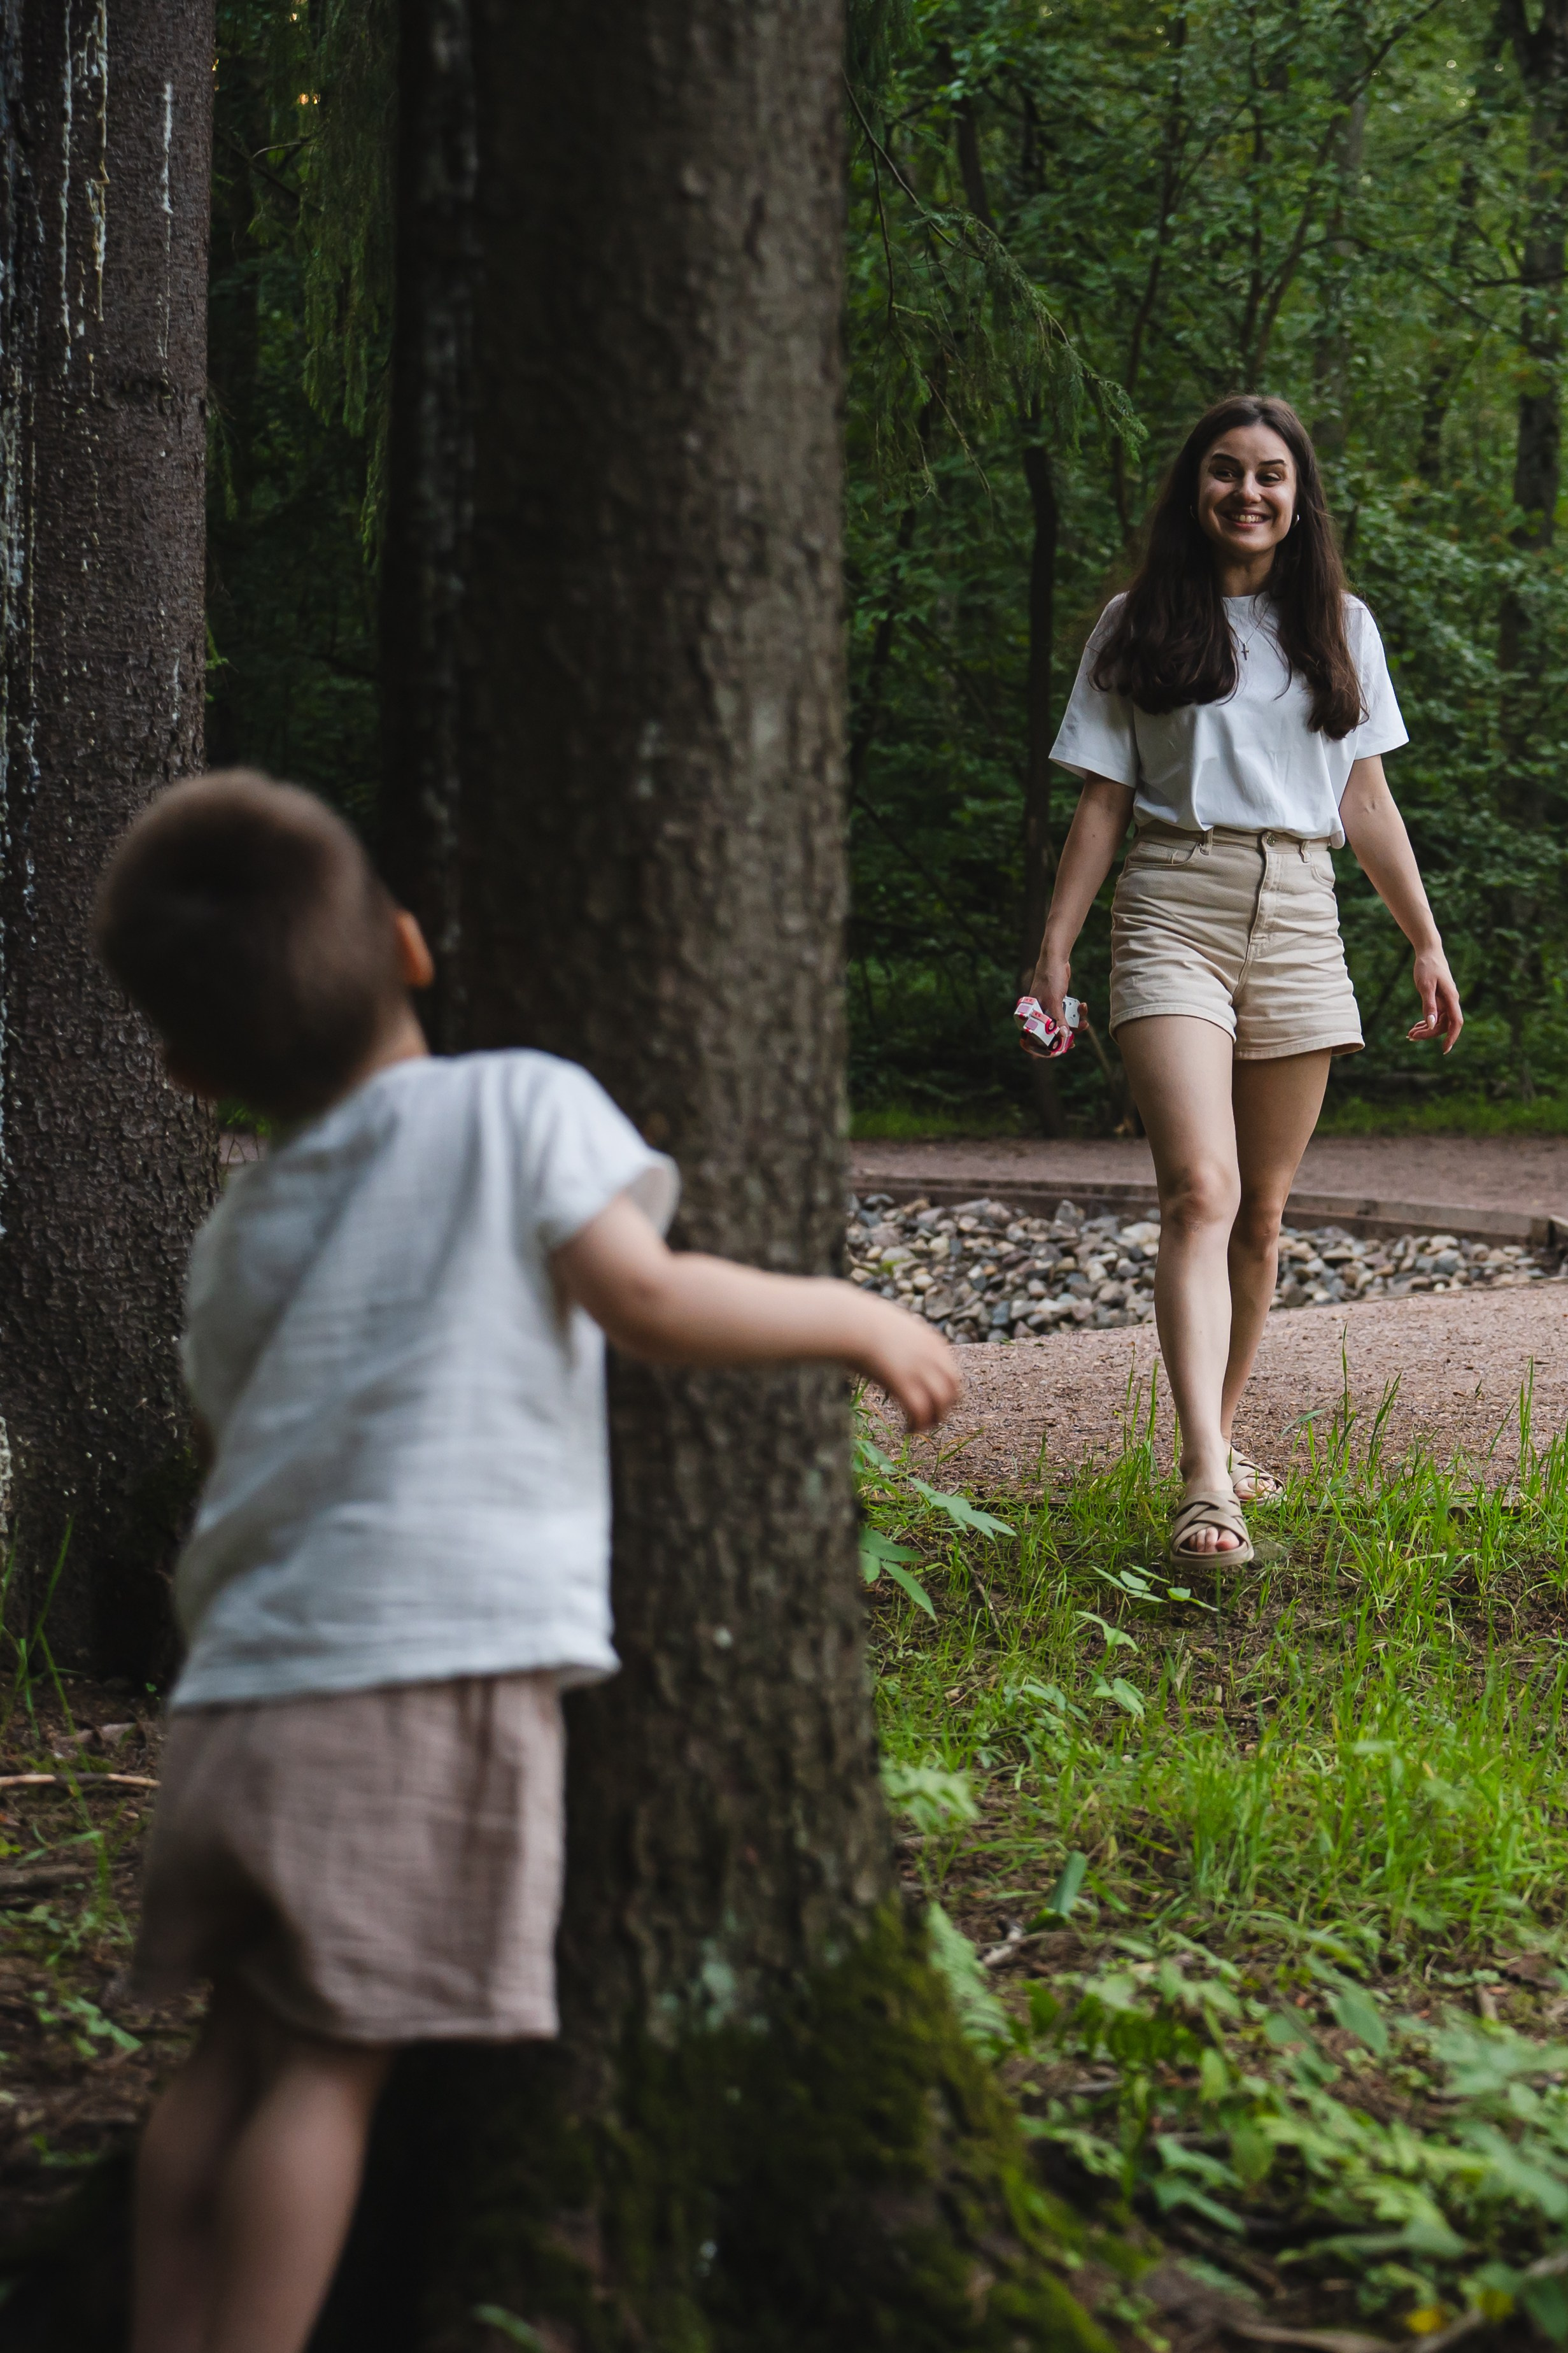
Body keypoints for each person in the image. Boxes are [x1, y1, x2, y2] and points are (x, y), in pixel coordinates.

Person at [95, 769, 959, 2353]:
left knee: (224, 2061)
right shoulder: (517, 1106)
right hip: (409, 1683)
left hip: (233, 1702)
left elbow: (234, 1433)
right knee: (324, 2076)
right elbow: (647, 1298)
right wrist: (853, 1317)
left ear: (187, 1064)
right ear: (411, 948)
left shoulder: (237, 1237)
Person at [1026, 393, 1461, 1568]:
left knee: (1261, 1216)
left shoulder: (1342, 625)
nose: (1248, 493)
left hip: (1305, 914)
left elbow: (1364, 797)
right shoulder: (1136, 623)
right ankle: (1207, 1482)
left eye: (1271, 475)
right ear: (1195, 491)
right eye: (1225, 472)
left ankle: (1216, 1430)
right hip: (1173, 903)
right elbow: (1104, 798)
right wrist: (1057, 947)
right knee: (1199, 1191)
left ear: (1298, 496)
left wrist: (1422, 938)